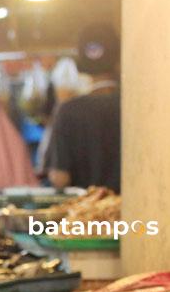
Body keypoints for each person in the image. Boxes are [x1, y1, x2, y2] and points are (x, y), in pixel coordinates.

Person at [47, 24, 121, 192]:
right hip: (137, 210)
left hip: (87, 211)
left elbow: (60, 178)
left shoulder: (68, 110)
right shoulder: (137, 106)